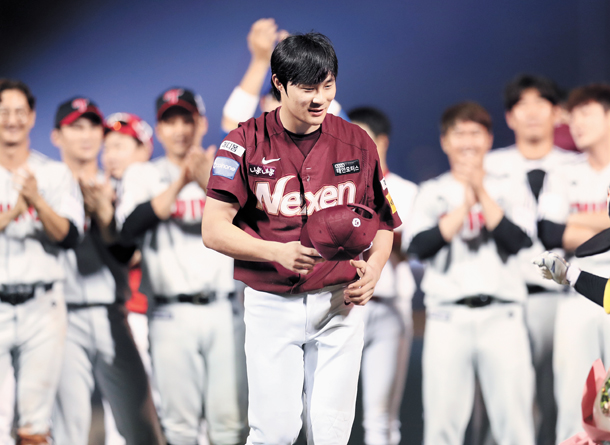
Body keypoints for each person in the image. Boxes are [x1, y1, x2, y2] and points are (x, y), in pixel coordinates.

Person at [201, 32, 399, 445]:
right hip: (271, 301)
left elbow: (383, 222)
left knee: (331, 432)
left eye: (327, 85)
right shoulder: (243, 141)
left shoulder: (358, 141)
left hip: (340, 300)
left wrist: (376, 268)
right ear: (279, 83)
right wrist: (274, 251)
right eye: (308, 88)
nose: (319, 98)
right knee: (274, 432)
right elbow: (213, 229)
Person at [115, 88, 247, 445]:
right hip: (169, 313)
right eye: (170, 122)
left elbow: (253, 226)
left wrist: (208, 182)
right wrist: (181, 182)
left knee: (230, 425)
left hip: (225, 309)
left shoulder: (227, 170)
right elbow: (128, 231)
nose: (179, 130)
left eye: (186, 120)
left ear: (201, 124)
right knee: (179, 427)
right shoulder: (142, 174)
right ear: (159, 130)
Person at [407, 101, 536, 445]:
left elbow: (518, 241)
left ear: (489, 139)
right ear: (445, 141)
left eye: (475, 133)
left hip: (503, 315)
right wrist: (464, 204)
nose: (467, 141)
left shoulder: (511, 186)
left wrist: (480, 190)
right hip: (447, 317)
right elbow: (419, 247)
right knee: (442, 425)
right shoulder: (432, 190)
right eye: (459, 133)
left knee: (515, 424)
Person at [49, 98, 162, 445]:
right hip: (61, 315)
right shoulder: (45, 185)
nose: (87, 136)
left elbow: (131, 252)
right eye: (76, 127)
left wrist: (105, 214)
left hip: (113, 313)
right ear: (57, 136)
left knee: (142, 430)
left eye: (92, 127)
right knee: (69, 432)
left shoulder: (118, 187)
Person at [484, 74, 579, 445]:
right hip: (507, 297)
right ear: (510, 117)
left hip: (564, 298)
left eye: (542, 103)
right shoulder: (489, 167)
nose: (533, 113)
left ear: (558, 113)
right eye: (523, 105)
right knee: (504, 405)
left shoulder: (579, 166)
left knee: (564, 400)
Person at [0, 79, 83, 445]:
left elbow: (69, 236)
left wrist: (36, 201)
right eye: (3, 111)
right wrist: (13, 212)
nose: (11, 119)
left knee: (35, 426)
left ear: (32, 117)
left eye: (20, 111)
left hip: (42, 305)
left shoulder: (53, 173)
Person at [533, 83, 610, 442]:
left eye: (586, 113)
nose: (576, 123)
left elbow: (564, 228)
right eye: (573, 115)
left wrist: (575, 222)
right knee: (574, 398)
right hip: (575, 289)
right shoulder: (562, 171)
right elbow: (549, 232)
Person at [347, 106, 417, 445]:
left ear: (382, 142)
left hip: (390, 305)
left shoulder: (406, 189)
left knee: (381, 418)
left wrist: (364, 226)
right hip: (345, 305)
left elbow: (411, 246)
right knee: (328, 412)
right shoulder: (337, 189)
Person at [98, 112, 159, 445]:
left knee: (169, 408)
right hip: (124, 313)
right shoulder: (101, 189)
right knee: (121, 416)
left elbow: (132, 252)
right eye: (107, 147)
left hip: (156, 310)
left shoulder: (157, 185)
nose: (111, 155)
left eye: (121, 145)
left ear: (144, 149)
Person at [221, 18, 346, 138]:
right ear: (264, 103)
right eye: (278, 96)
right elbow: (232, 127)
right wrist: (260, 62)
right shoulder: (256, 145)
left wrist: (304, 62)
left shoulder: (334, 141)